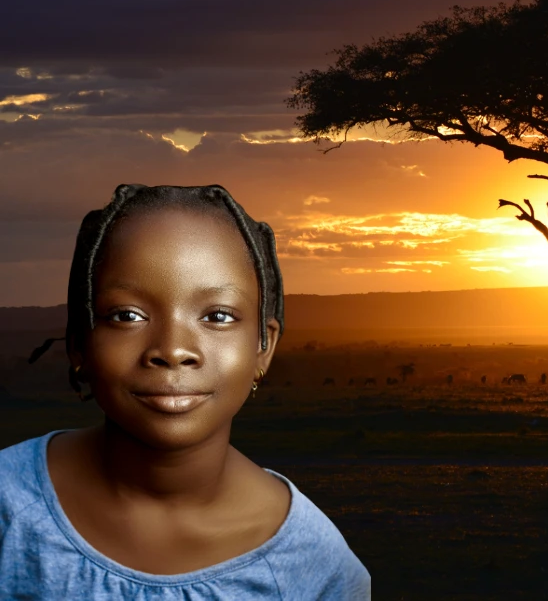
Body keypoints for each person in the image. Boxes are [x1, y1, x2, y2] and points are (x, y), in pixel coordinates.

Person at [0, 183, 371, 599]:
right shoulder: (8, 509)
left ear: (263, 347)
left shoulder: (318, 568)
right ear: (78, 346)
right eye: (127, 315)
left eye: (217, 316)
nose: (173, 349)